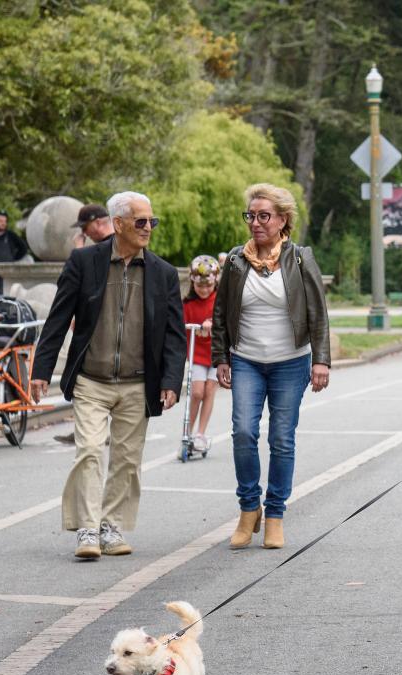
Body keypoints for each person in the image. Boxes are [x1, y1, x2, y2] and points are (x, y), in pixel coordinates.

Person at [31, 191, 186, 560]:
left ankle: (111, 525)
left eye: (152, 221)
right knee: (88, 451)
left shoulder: (163, 274)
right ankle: (87, 528)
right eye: (141, 221)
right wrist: (41, 369)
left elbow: (175, 335)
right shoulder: (85, 263)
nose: (149, 228)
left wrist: (170, 381)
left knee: (127, 460)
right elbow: (57, 319)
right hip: (91, 380)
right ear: (118, 224)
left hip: (138, 382)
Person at [212, 184, 331, 550]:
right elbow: (220, 313)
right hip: (246, 359)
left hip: (290, 363)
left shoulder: (299, 259)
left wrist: (321, 360)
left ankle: (275, 513)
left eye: (264, 216)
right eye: (251, 216)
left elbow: (317, 312)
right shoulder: (235, 261)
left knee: (281, 439)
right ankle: (250, 509)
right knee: (244, 433)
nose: (256, 223)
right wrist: (221, 357)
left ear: (283, 220)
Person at [55, 205, 117, 445]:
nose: (85, 232)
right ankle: (89, 426)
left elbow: (88, 282)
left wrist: (78, 250)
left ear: (99, 222)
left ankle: (95, 428)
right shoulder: (103, 249)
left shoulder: (111, 249)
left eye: (85, 227)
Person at [183, 255, 221, 452]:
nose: (204, 290)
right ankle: (187, 433)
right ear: (193, 283)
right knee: (197, 391)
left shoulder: (220, 302)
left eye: (208, 285)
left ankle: (201, 433)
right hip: (197, 354)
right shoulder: (188, 305)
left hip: (216, 354)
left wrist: (213, 324)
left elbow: (228, 322)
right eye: (200, 286)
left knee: (209, 391)